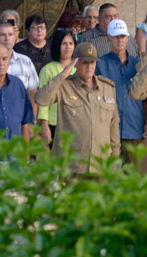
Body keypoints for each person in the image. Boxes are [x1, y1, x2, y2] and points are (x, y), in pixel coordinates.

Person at [35, 42, 120, 175]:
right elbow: (41, 99)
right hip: (71, 165)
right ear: (76, 63)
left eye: (92, 62)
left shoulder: (108, 88)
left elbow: (114, 124)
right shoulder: (64, 86)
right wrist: (63, 75)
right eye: (85, 63)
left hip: (100, 165)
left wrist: (114, 156)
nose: (89, 67)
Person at [96, 19, 146, 164]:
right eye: (116, 36)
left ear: (128, 38)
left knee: (134, 178)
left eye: (123, 36)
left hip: (134, 128)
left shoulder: (138, 65)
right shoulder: (99, 64)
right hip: (107, 130)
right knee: (108, 178)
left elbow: (145, 97)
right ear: (108, 38)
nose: (120, 40)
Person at [37, 29, 77, 143]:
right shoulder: (47, 69)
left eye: (71, 43)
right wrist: (44, 125)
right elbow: (43, 101)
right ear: (57, 45)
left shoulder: (79, 68)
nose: (68, 47)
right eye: (64, 44)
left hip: (76, 122)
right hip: (54, 122)